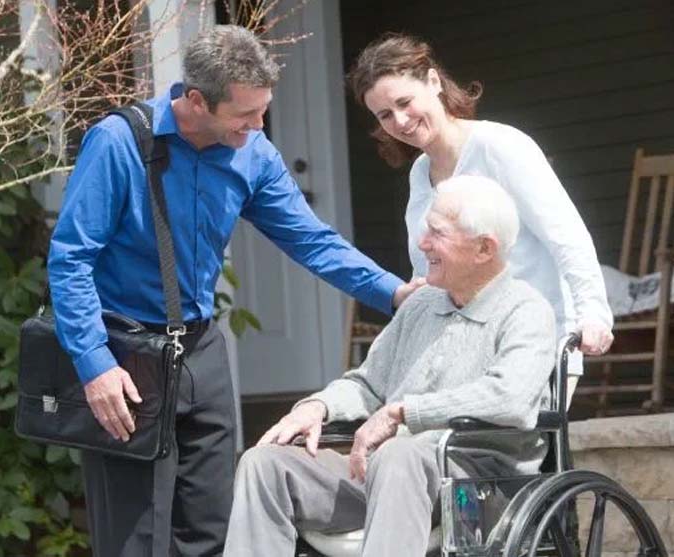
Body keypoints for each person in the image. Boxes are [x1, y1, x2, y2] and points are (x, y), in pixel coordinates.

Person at [47, 25, 419, 557]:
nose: (258, 124)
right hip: (125, 356)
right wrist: (94, 363)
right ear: (195, 101)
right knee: (136, 538)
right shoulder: (119, 143)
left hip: (202, 354)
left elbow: (311, 240)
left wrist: (395, 294)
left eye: (262, 111)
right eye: (245, 114)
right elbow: (71, 257)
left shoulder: (253, 153)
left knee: (214, 529)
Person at [223, 175, 557, 557]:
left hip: (475, 487)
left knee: (401, 455)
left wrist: (404, 412)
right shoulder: (420, 305)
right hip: (385, 474)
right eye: (425, 229)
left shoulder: (526, 310)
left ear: (484, 249)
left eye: (438, 233)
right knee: (264, 464)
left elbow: (510, 398)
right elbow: (368, 384)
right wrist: (319, 406)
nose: (423, 242)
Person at [348, 33, 614, 380]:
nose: (399, 121)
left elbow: (567, 236)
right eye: (384, 115)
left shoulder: (499, 146)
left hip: (529, 348)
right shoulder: (420, 173)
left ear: (432, 82)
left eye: (404, 102)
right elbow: (428, 268)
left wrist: (594, 313)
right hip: (459, 353)